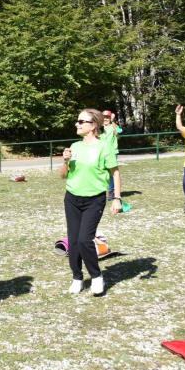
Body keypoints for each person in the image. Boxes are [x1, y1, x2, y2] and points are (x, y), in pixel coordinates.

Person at [60, 108, 122, 296]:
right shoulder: (74, 146)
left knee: (85, 240)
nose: (77, 124)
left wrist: (117, 198)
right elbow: (63, 176)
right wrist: (64, 161)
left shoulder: (104, 147)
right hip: (71, 198)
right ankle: (77, 278)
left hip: (94, 200)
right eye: (77, 121)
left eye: (81, 122)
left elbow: (115, 173)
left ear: (93, 125)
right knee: (73, 241)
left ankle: (96, 277)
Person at [101, 110, 122, 200]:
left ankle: (111, 192)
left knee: (111, 174)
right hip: (101, 153)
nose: (106, 119)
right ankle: (102, 191)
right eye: (104, 117)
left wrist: (113, 121)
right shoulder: (99, 128)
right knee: (102, 172)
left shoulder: (113, 127)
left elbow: (120, 131)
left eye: (108, 117)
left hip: (112, 153)